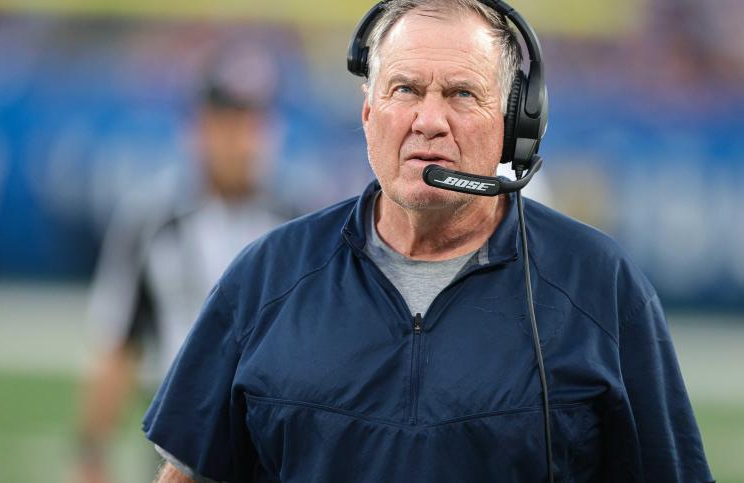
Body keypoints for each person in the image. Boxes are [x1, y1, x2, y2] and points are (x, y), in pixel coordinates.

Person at [143, 1, 714, 482]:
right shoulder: (267, 276)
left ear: (515, 125)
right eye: (405, 89)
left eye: (462, 94)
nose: (428, 120)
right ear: (368, 112)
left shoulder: (600, 285)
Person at [76, 44, 286, 483]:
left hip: (272, 441)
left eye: (253, 124)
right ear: (198, 128)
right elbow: (117, 341)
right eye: (228, 123)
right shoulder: (151, 219)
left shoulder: (295, 224)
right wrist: (91, 453)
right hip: (177, 438)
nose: (242, 141)